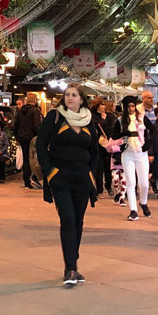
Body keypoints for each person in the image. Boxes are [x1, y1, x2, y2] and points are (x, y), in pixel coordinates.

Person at [37, 85, 101, 287]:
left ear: (82, 99)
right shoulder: (55, 117)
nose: (70, 98)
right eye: (67, 95)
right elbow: (40, 145)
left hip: (82, 178)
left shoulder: (89, 120)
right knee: (67, 218)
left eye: (74, 95)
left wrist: (92, 174)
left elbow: (95, 151)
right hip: (61, 177)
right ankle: (71, 268)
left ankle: (72, 264)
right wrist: (50, 172)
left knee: (78, 222)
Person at [120, 98, 154, 221]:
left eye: (133, 106)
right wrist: (122, 137)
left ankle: (143, 202)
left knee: (144, 183)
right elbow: (113, 135)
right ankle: (133, 210)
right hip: (127, 153)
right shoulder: (121, 120)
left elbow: (153, 130)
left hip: (141, 153)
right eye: (128, 106)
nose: (131, 108)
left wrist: (147, 145)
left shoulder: (142, 118)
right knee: (131, 182)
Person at [13, 94, 43, 189]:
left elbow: (16, 125)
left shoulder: (20, 111)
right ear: (35, 101)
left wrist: (17, 137)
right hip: (32, 138)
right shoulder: (35, 111)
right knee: (34, 159)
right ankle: (35, 177)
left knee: (26, 159)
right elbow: (36, 125)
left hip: (22, 138)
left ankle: (26, 181)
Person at [93, 98, 118, 198]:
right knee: (99, 167)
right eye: (101, 105)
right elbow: (96, 126)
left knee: (108, 167)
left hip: (108, 144)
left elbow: (113, 127)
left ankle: (108, 186)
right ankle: (99, 189)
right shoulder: (93, 116)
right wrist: (102, 119)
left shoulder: (110, 116)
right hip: (98, 145)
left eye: (104, 105)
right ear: (97, 106)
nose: (103, 107)